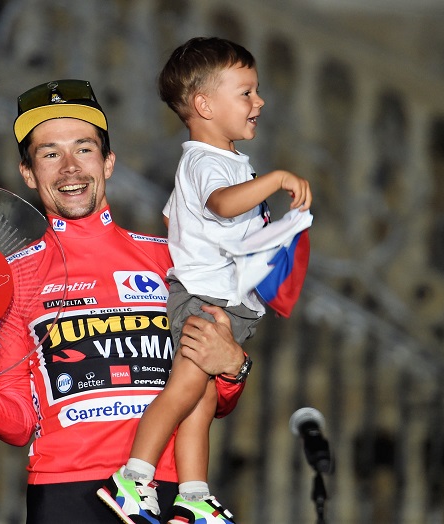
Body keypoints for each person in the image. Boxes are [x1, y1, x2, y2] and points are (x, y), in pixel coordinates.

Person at [0, 78, 250, 524]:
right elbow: (19, 423)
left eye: (84, 149)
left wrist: (234, 367)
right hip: (65, 493)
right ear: (28, 173)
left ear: (108, 162)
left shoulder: (172, 258)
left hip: (165, 491)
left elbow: (214, 399)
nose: (70, 167)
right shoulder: (10, 278)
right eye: (50, 154)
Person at [99, 37, 313, 524]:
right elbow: (222, 204)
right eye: (246, 92)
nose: (259, 102)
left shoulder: (222, 160)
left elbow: (177, 217)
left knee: (202, 400)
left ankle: (193, 496)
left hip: (219, 298)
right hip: (205, 300)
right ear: (205, 105)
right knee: (183, 391)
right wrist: (277, 179)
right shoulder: (206, 162)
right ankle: (133, 478)